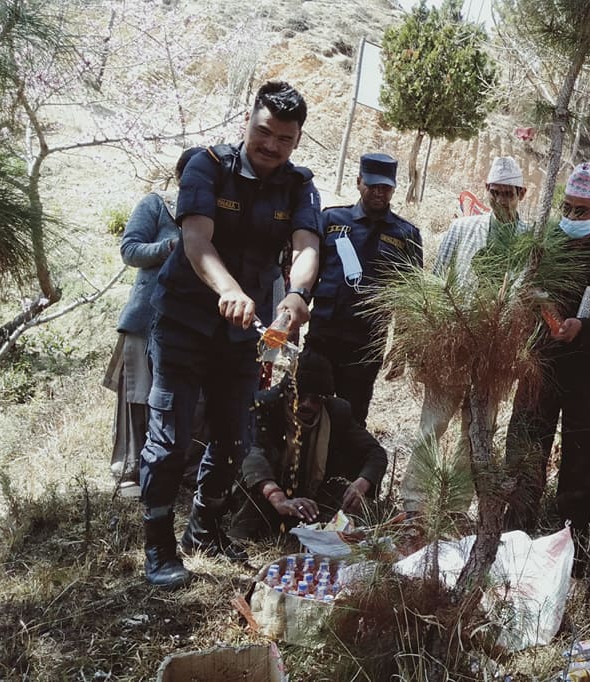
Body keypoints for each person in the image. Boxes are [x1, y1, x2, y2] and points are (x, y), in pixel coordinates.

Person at [139, 80, 322, 587]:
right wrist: (229, 290)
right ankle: (158, 548)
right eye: (265, 132)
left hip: (243, 336)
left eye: (285, 139)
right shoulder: (207, 166)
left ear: (297, 140)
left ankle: (205, 529)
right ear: (250, 121)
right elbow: (195, 239)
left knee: (233, 436)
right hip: (184, 321)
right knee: (171, 439)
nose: (272, 146)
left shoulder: (300, 185)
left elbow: (307, 246)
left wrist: (296, 296)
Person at [504, 162, 590, 576]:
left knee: (582, 455)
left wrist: (583, 327)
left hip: (586, 370)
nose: (573, 217)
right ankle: (516, 533)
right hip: (539, 364)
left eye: (583, 210)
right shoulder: (542, 243)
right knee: (526, 446)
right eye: (568, 207)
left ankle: (569, 539)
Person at [399, 156, 528, 514]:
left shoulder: (530, 239)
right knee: (432, 425)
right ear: (486, 191)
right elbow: (438, 283)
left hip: (496, 356)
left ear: (522, 193)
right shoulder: (462, 230)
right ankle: (414, 504)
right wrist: (428, 341)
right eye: (496, 193)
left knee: (477, 435)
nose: (502, 201)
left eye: (509, 194)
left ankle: (455, 510)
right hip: (454, 347)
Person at [305, 153, 422, 426]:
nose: (379, 193)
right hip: (323, 336)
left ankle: (340, 470)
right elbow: (309, 273)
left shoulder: (406, 235)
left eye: (386, 188)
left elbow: (409, 296)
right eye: (373, 186)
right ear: (359, 182)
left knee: (351, 421)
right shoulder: (332, 219)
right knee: (305, 411)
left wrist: (402, 346)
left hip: (365, 346)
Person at [231, 351, 388, 540]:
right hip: (270, 491)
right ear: (287, 391)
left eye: (315, 399)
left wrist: (361, 485)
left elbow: (374, 452)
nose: (306, 405)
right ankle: (247, 530)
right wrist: (277, 497)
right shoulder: (265, 404)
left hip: (313, 496)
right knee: (253, 467)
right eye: (300, 396)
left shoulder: (337, 412)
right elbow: (252, 454)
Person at [104, 189, 180, 497]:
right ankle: (130, 470)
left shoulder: (219, 208)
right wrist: (170, 246)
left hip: (193, 322)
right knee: (137, 395)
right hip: (147, 317)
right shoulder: (158, 204)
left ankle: (177, 470)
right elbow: (130, 249)